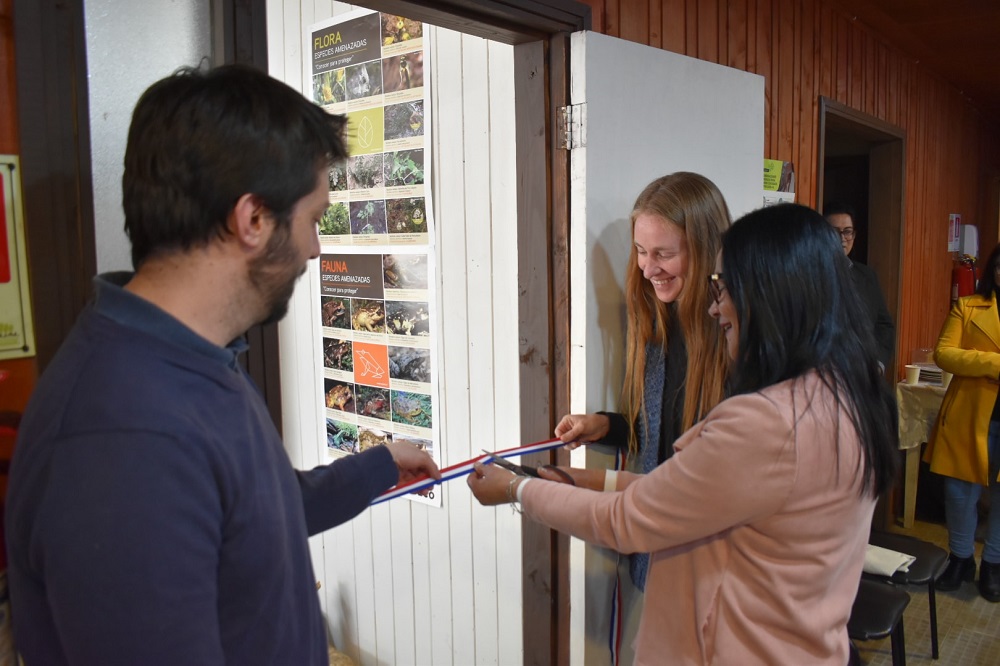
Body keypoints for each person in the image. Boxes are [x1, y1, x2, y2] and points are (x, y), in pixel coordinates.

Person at [4, 64, 440, 664]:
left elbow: (250, 515)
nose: (315, 248)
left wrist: (378, 468)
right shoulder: (123, 439)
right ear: (253, 219)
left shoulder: (196, 359)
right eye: (313, 220)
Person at [469, 203, 898, 664]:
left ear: (771, 295)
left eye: (723, 285)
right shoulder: (850, 395)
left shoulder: (769, 422)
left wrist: (518, 489)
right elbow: (688, 493)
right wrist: (576, 475)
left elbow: (630, 520)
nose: (716, 305)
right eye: (639, 251)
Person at [552, 172, 731, 590]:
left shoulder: (734, 338)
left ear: (705, 251)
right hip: (662, 542)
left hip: (707, 559)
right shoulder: (658, 320)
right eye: (639, 251)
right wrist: (605, 425)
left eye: (663, 254)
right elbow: (665, 436)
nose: (649, 268)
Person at [925, 242, 1000, 602]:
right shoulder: (969, 306)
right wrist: (994, 365)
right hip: (970, 414)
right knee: (959, 494)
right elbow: (944, 353)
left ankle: (994, 564)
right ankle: (961, 558)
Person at [824, 202, 895, 370]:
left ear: (854, 235)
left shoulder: (867, 276)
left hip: (862, 374)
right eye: (834, 232)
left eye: (847, 231)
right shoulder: (808, 276)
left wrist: (878, 363)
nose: (842, 238)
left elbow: (884, 325)